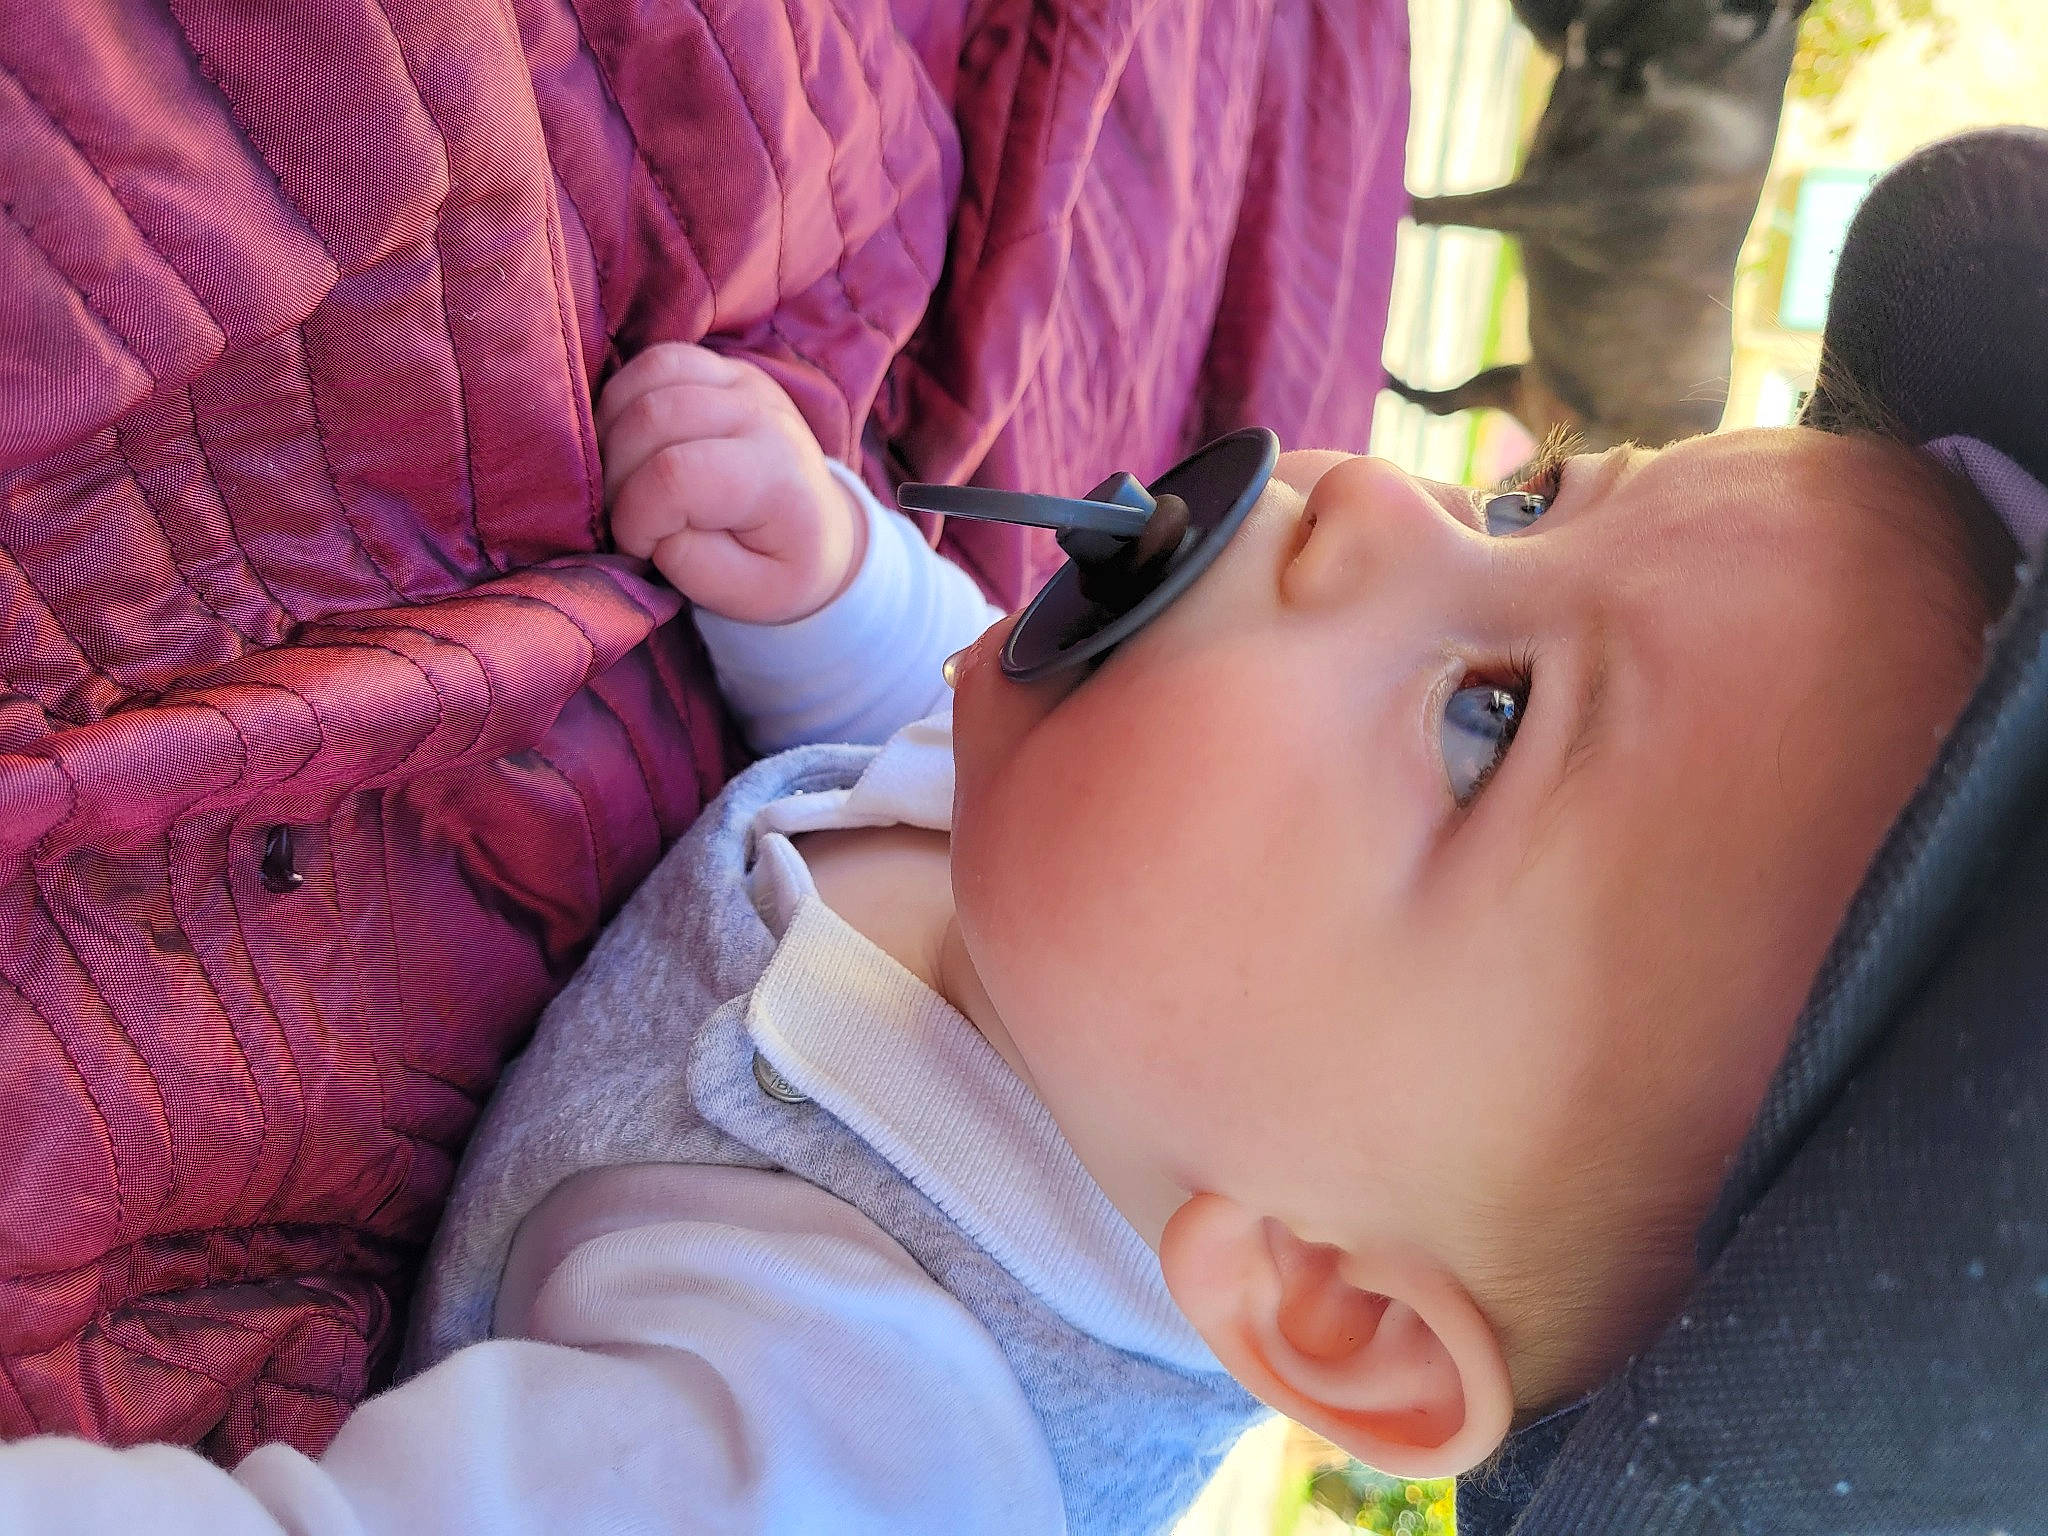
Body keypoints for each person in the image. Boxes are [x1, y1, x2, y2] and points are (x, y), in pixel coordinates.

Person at [0, 335, 2010, 1534]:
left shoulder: (835, 1420)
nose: (1370, 496)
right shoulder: (1129, 965)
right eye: (1529, 497)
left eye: (1485, 710)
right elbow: (933, 743)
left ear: (1326, 1306)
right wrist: (825, 582)